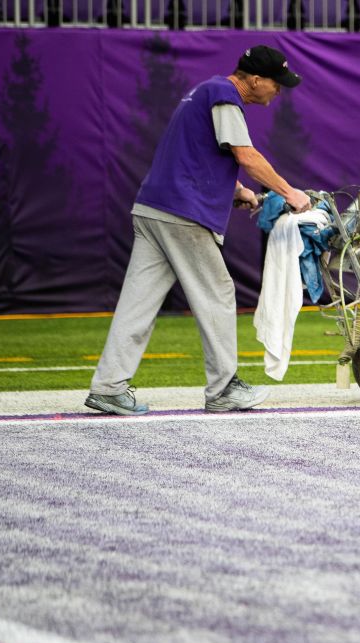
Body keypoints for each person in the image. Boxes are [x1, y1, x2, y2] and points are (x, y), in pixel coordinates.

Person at [84, 45, 312, 416]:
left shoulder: (203, 91)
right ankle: (223, 388)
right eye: (276, 83)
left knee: (137, 304)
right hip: (181, 213)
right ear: (254, 80)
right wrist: (291, 194)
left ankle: (108, 387)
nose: (279, 91)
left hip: (152, 208)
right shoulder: (225, 95)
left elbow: (194, 153)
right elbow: (245, 154)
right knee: (218, 292)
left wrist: (237, 192)